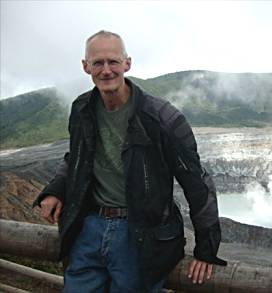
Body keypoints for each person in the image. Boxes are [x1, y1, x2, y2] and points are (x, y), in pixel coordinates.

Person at [33, 30, 226, 292]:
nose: (106, 70)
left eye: (113, 61)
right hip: (90, 228)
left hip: (140, 236)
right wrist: (55, 190)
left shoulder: (162, 118)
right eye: (98, 63)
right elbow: (76, 157)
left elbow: (196, 182)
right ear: (85, 66)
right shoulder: (82, 109)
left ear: (127, 63)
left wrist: (206, 248)